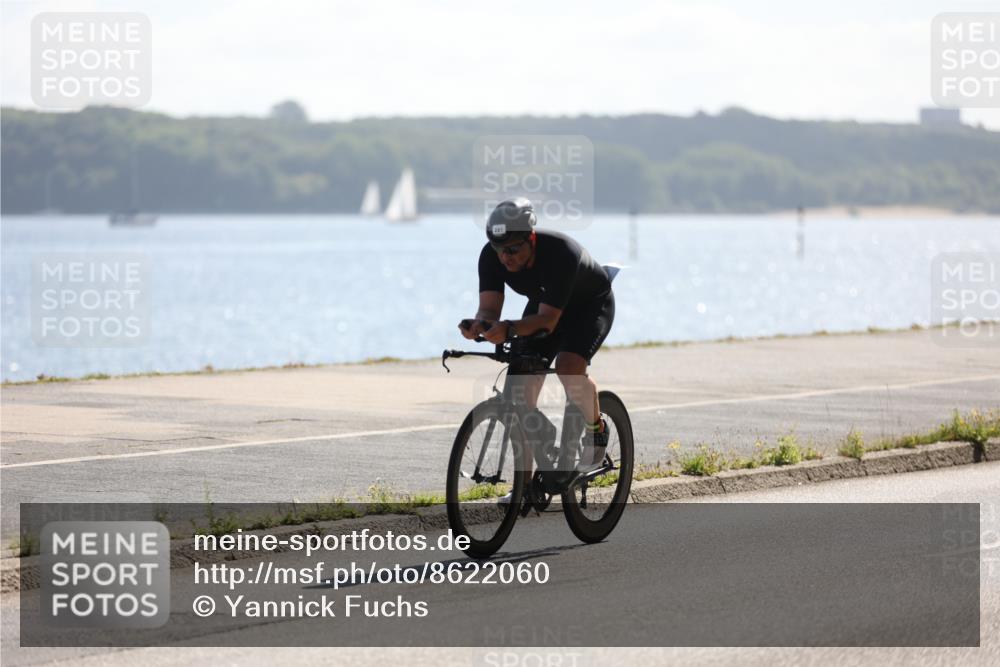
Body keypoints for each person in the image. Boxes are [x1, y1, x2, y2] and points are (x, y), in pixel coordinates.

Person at [458, 197, 615, 475]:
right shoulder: (491, 257)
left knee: (569, 367)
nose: (506, 257)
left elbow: (548, 321)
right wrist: (479, 325)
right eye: (499, 250)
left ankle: (596, 430)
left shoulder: (560, 253)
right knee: (520, 394)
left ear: (531, 237)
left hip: (588, 305)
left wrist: (510, 328)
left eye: (513, 249)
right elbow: (489, 309)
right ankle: (525, 487)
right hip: (545, 303)